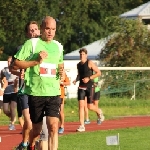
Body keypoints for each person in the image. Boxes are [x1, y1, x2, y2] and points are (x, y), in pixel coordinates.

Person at [12, 16, 64, 150]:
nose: (50, 32)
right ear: (41, 29)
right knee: (36, 130)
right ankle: (31, 144)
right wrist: (35, 61)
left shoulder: (58, 46)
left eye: (53, 29)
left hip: (53, 92)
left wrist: (62, 73)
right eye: (47, 28)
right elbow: (15, 63)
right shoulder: (32, 44)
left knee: (53, 126)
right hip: (36, 93)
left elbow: (60, 65)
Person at [10, 21, 40, 150]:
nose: (33, 32)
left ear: (39, 31)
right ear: (27, 33)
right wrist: (20, 72)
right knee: (28, 121)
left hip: (39, 90)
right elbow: (12, 68)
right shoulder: (21, 48)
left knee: (37, 124)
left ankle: (30, 144)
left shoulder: (45, 48)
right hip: (24, 90)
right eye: (31, 30)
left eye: (35, 29)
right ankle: (24, 143)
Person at [73, 48, 102, 132]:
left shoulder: (89, 63)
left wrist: (89, 78)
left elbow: (98, 73)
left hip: (89, 86)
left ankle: (99, 112)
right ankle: (82, 125)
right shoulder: (78, 65)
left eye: (83, 54)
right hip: (81, 87)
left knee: (89, 106)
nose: (82, 56)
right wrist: (76, 79)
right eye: (80, 54)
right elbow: (79, 75)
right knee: (81, 106)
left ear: (86, 55)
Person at [1, 56, 18, 130]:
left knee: (12, 107)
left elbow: (19, 79)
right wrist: (2, 86)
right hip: (6, 92)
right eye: (8, 61)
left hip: (14, 92)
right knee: (5, 110)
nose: (9, 63)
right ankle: (13, 117)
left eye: (10, 61)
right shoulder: (4, 70)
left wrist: (16, 86)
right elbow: (1, 78)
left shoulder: (16, 70)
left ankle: (12, 124)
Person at [58, 70, 70, 134]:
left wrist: (62, 83)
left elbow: (68, 82)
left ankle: (62, 126)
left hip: (60, 94)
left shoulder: (62, 72)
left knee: (60, 111)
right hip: (52, 94)